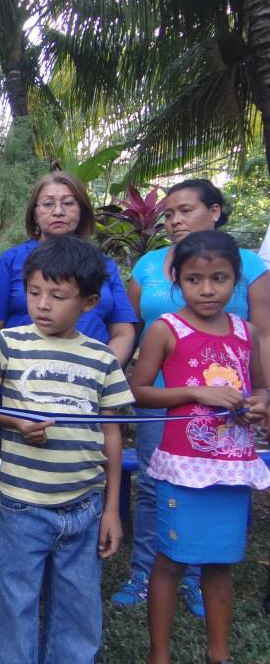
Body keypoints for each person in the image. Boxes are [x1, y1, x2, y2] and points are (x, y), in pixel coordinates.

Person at [112, 179, 270, 616]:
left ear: (215, 211)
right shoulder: (147, 265)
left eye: (184, 210)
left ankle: (199, 577)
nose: (174, 220)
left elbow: (263, 334)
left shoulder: (251, 265)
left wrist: (263, 397)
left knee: (217, 486)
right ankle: (146, 571)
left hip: (227, 413)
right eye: (168, 214)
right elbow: (130, 327)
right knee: (153, 485)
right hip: (164, 402)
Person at [0, 236, 133, 664]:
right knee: (16, 600)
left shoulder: (102, 359)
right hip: (23, 505)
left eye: (58, 296)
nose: (42, 304)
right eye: (33, 292)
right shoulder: (9, 344)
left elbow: (112, 431)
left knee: (78, 606)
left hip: (84, 505)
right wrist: (15, 422)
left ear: (88, 301)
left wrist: (112, 509)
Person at [0, 171, 137, 366]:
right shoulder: (11, 261)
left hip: (89, 380)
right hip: (20, 379)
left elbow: (123, 331)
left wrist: (101, 374)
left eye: (68, 203)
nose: (58, 211)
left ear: (82, 210)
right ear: (35, 213)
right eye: (48, 204)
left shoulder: (103, 264)